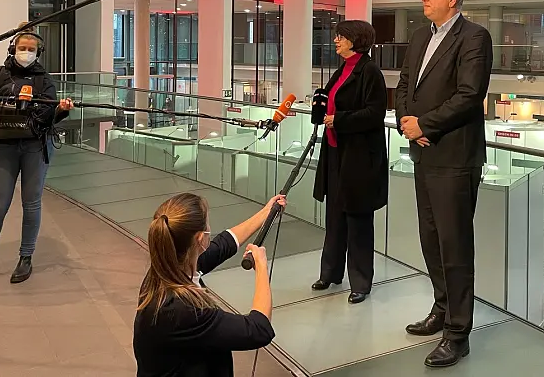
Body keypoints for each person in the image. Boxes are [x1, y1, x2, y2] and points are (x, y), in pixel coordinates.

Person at [395, 0, 493, 368]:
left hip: (455, 157)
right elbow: (404, 85)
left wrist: (426, 125)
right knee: (431, 239)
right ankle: (441, 308)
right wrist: (408, 121)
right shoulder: (421, 36)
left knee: (455, 247)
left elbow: (470, 96)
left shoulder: (474, 37)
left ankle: (458, 333)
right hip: (425, 153)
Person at [0, 28, 74, 284]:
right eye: (22, 48)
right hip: (4, 146)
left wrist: (60, 110)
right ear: (12, 49)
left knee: (31, 203)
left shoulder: (44, 80)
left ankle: (25, 257)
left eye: (31, 49)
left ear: (38, 53)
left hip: (35, 146)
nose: (26, 53)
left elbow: (47, 116)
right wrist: (2, 105)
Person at [134, 192, 286, 377]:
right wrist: (262, 267)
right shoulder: (182, 309)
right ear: (200, 238)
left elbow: (224, 245)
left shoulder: (168, 268)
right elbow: (258, 329)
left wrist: (267, 212)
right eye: (207, 223)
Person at [311, 20, 388, 304]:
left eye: (340, 37)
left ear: (356, 40)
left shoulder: (370, 71)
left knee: (357, 221)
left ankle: (361, 282)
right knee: (335, 217)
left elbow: (374, 113)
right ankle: (330, 273)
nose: (335, 41)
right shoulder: (343, 69)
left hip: (359, 159)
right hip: (336, 153)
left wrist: (338, 120)